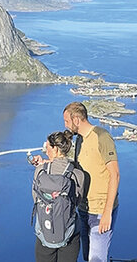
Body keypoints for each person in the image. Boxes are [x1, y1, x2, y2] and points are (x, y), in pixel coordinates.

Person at [63, 102, 119, 262]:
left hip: (101, 211)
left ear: (76, 119)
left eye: (67, 121)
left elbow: (115, 174)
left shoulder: (102, 136)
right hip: (84, 209)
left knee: (97, 259)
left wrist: (107, 212)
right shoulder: (80, 140)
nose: (65, 125)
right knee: (88, 257)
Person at [29, 130, 82, 262]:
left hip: (44, 234)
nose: (46, 151)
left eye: (47, 148)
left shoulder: (40, 171)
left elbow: (35, 198)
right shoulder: (78, 175)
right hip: (69, 234)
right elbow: (78, 200)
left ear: (55, 149)